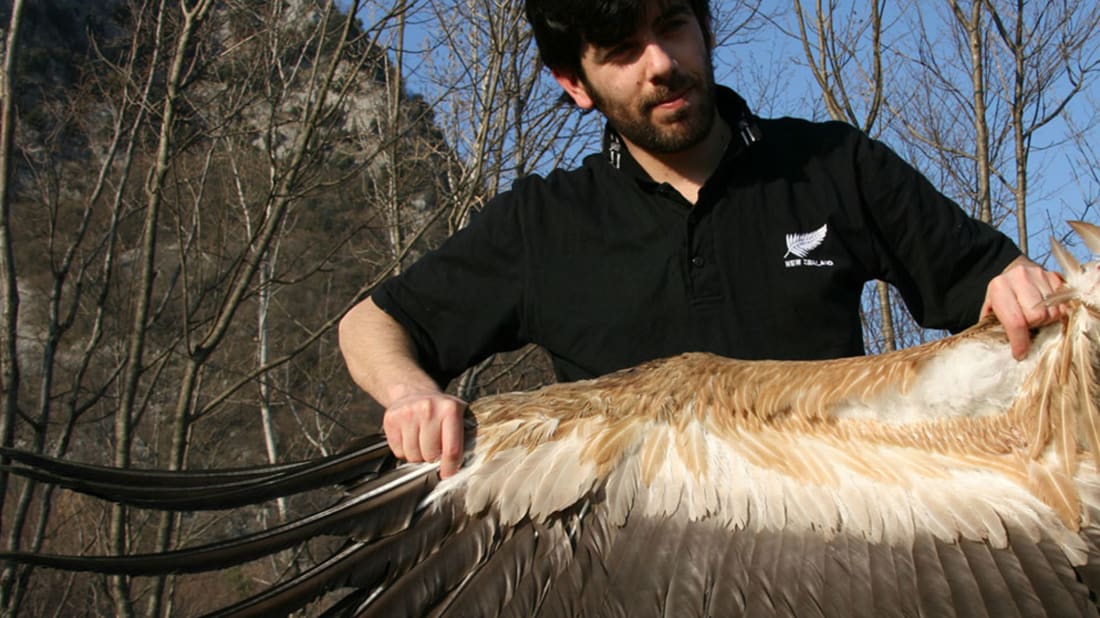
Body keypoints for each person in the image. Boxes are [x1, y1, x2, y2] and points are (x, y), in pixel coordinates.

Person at [338, 0, 1064, 479]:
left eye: (673, 24)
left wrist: (1015, 286)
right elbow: (372, 322)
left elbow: (994, 284)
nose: (662, 61)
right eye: (623, 48)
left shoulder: (833, 166)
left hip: (842, 559)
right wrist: (409, 395)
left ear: (704, 27)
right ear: (575, 83)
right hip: (637, 579)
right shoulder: (543, 223)